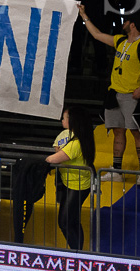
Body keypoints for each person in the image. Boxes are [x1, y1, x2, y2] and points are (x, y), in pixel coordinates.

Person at [79, 7, 140, 186]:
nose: (123, 23)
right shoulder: (121, 40)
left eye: (126, 21)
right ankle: (117, 170)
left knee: (137, 132)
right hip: (115, 94)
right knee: (118, 132)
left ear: (133, 25)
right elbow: (97, 35)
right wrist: (84, 15)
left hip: (132, 96)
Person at [45, 106, 96, 250]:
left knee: (65, 222)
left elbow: (52, 159)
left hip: (77, 186)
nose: (62, 120)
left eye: (64, 118)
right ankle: (78, 251)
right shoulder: (80, 139)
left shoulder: (75, 143)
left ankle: (76, 253)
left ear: (73, 121)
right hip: (72, 184)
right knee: (73, 221)